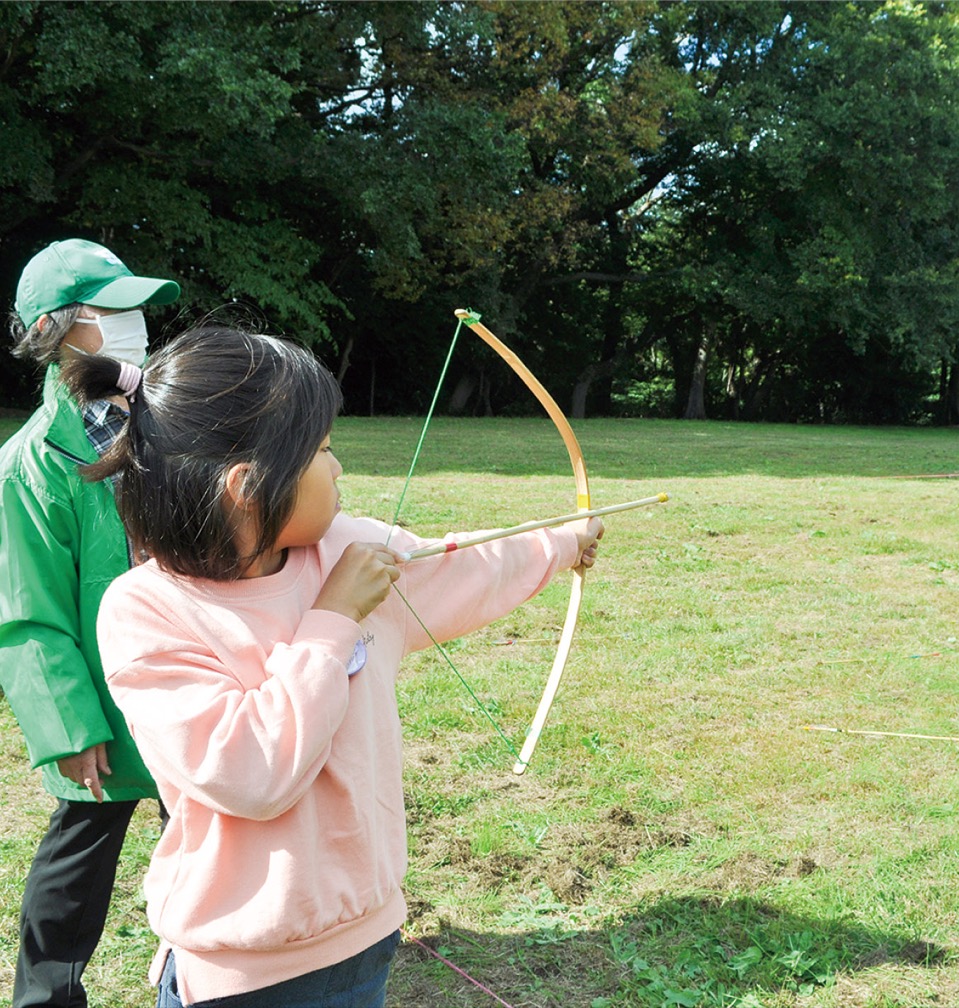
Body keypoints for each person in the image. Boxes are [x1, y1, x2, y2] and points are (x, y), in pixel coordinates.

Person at [62, 324, 603, 1008]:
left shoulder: (346, 548)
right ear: (247, 486)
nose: (338, 466)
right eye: (321, 450)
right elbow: (253, 772)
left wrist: (562, 542)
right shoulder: (146, 613)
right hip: (245, 972)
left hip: (366, 934)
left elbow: (462, 567)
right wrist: (333, 619)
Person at [0, 238, 180, 1008]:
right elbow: (27, 615)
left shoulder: (167, 419)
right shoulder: (31, 463)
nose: (135, 326)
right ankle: (46, 993)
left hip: (192, 679)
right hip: (104, 700)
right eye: (113, 313)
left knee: (218, 836)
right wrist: (71, 726)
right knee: (81, 856)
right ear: (58, 331)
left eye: (139, 309)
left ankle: (205, 965)